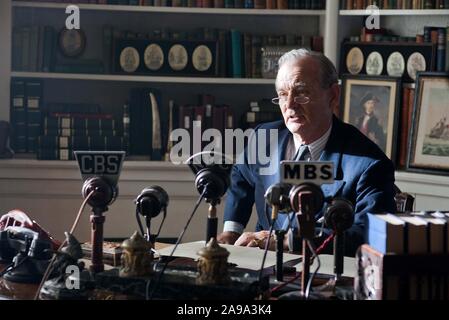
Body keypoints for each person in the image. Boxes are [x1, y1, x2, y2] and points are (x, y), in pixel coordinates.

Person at [217, 48, 396, 257]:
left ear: (333, 96)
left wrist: (289, 241)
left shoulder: (369, 164)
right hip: (260, 267)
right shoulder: (264, 138)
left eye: (301, 93)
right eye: (283, 95)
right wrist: (232, 230)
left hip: (323, 277)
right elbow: (241, 177)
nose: (290, 105)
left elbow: (368, 234)